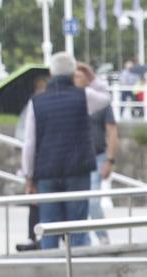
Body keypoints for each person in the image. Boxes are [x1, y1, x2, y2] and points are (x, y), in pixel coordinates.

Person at [18, 51, 96, 250]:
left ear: (51, 73)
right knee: (77, 226)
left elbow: (29, 143)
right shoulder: (83, 96)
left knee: (49, 225)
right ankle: (78, 269)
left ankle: (49, 269)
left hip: (47, 172)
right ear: (73, 72)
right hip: (78, 169)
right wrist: (92, 77)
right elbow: (106, 98)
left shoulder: (36, 102)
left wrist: (29, 176)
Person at [73, 61, 120, 244]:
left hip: (97, 156)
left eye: (81, 76)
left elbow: (112, 131)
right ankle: (82, 238)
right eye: (75, 76)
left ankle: (102, 236)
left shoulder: (100, 103)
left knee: (92, 200)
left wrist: (110, 159)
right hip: (76, 158)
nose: (77, 79)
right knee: (79, 200)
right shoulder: (72, 101)